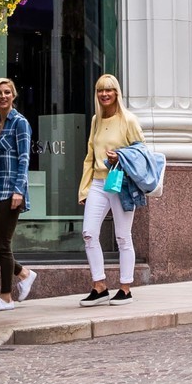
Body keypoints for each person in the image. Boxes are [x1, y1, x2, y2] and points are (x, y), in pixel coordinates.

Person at [79, 74, 145, 303]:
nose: (104, 94)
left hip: (120, 182)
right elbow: (89, 155)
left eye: (109, 90)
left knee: (123, 237)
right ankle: (99, 285)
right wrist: (84, 189)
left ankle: (125, 288)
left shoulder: (128, 120)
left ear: (117, 93)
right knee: (88, 233)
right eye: (100, 90)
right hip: (98, 182)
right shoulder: (96, 120)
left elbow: (141, 151)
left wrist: (120, 156)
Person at [0, 77, 36, 309]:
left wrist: (19, 190)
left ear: (13, 95)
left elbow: (24, 159)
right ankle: (23, 273)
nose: (3, 96)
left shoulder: (20, 123)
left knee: (3, 245)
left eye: (7, 92)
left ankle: (6, 297)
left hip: (12, 191)